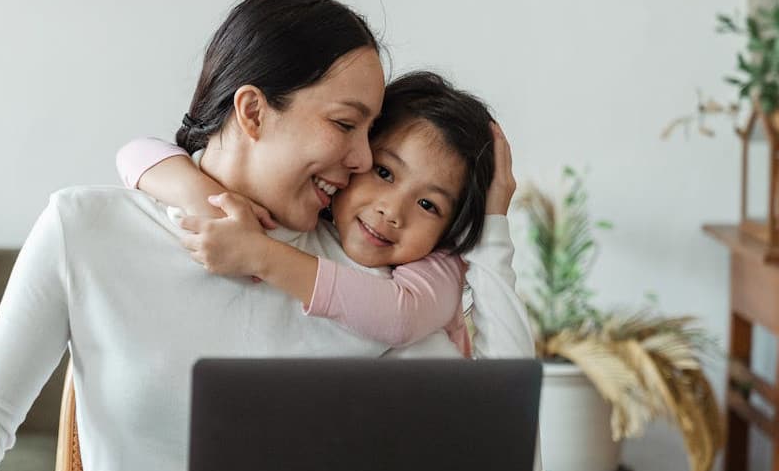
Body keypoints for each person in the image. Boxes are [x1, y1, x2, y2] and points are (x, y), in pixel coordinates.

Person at [0, 0, 535, 471]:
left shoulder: (372, 271)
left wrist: (495, 225)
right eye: (344, 124)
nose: (363, 160)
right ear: (252, 110)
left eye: (370, 132)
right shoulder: (86, 229)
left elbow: (501, 445)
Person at [115, 71, 506, 355]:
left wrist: (260, 255)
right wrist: (204, 198)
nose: (392, 210)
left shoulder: (439, 266)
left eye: (428, 205)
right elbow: (136, 152)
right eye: (383, 172)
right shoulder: (312, 213)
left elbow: (400, 317)